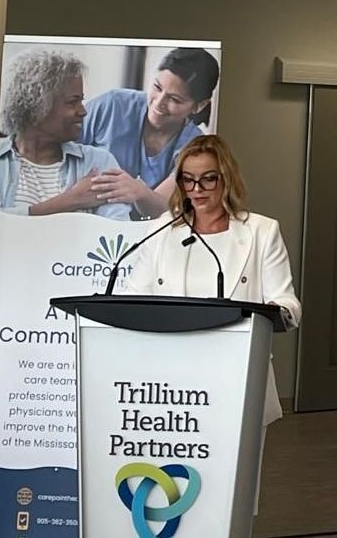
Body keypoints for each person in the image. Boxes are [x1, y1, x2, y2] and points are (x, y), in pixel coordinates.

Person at [124, 134, 300, 428]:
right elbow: (133, 299)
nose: (196, 189)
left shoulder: (261, 231)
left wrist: (272, 311)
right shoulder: (162, 230)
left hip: (237, 374)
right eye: (188, 180)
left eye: (208, 179)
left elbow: (287, 303)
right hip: (169, 381)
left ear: (226, 178)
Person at [79, 47, 220, 219]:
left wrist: (140, 192)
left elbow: (164, 209)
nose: (158, 103)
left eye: (174, 99)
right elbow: (60, 155)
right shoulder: (112, 106)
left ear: (200, 106)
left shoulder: (196, 148)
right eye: (157, 87)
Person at [0, 49, 130, 220]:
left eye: (81, 100)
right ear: (37, 106)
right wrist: (70, 201)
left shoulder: (98, 162)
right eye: (73, 102)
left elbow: (116, 230)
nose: (83, 111)